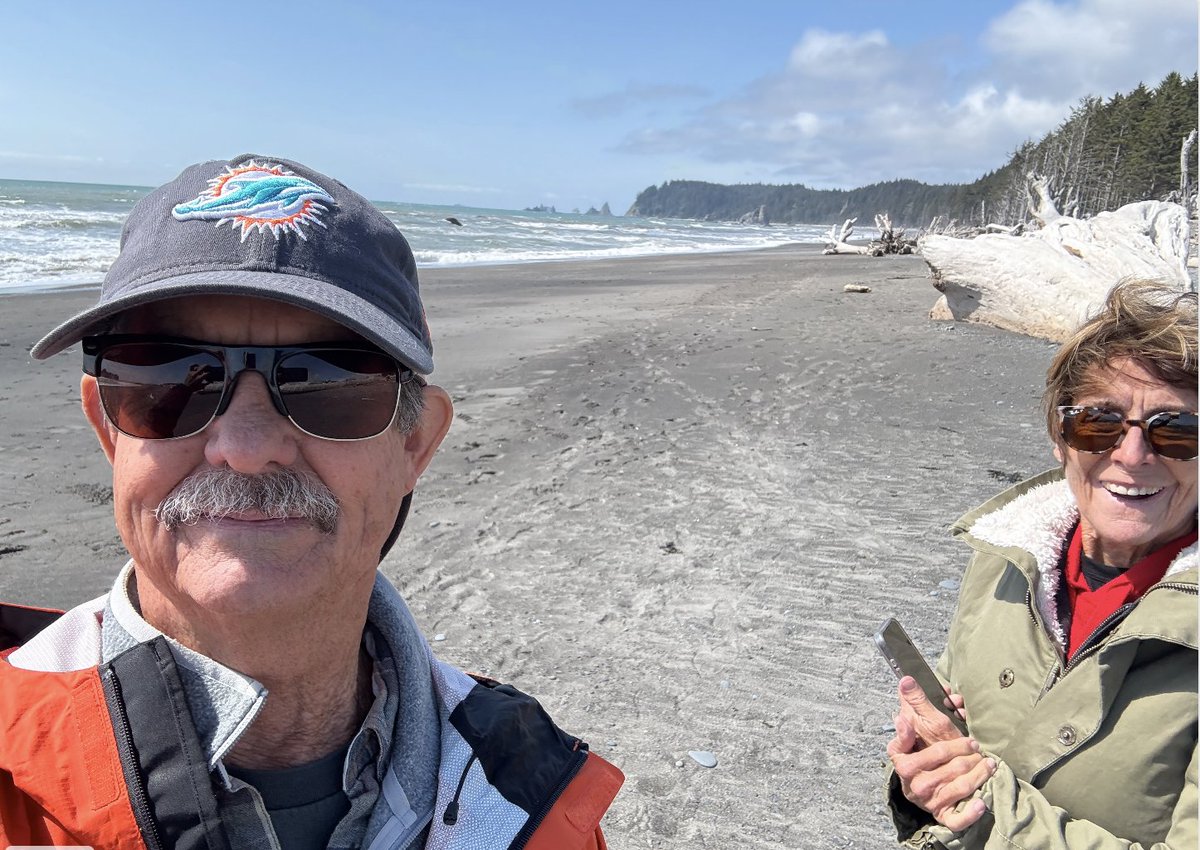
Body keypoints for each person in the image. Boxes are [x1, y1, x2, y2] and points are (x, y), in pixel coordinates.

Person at [0, 154, 623, 850]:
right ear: (107, 430)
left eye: (328, 384)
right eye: (171, 378)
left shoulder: (529, 798)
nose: (244, 446)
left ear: (415, 444)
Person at [885, 278, 1197, 849]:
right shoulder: (1007, 564)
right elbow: (950, 762)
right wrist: (923, 781)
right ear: (1061, 437)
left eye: (1175, 430)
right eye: (1099, 422)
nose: (1132, 456)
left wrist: (983, 806)